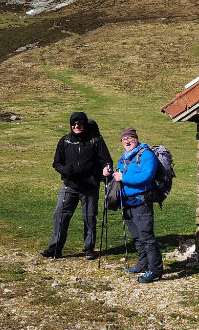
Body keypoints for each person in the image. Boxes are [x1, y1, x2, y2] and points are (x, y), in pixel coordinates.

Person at [41, 112, 112, 259]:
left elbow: (107, 160)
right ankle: (55, 249)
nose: (76, 126)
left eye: (79, 124)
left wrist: (106, 169)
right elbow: (56, 163)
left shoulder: (96, 140)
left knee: (89, 217)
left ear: (84, 124)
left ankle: (89, 249)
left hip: (90, 187)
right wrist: (65, 170)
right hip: (70, 186)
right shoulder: (65, 141)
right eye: (74, 124)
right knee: (60, 215)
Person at [104, 127, 162, 283]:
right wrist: (109, 174)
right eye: (124, 139)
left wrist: (123, 176)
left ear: (136, 139)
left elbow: (147, 176)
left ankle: (155, 269)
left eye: (130, 138)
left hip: (141, 201)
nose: (127, 141)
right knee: (136, 237)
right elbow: (118, 177)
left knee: (147, 237)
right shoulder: (124, 157)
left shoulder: (146, 154)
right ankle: (143, 264)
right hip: (127, 203)